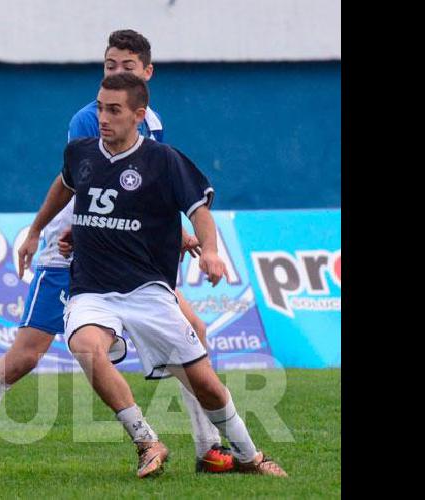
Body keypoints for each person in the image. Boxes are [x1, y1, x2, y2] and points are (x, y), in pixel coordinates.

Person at [22, 72, 287, 477]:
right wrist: (40, 229)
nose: (103, 118)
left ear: (139, 115)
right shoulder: (81, 153)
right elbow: (65, 185)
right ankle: (147, 441)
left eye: (114, 110)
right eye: (100, 107)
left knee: (206, 385)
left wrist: (211, 251)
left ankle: (251, 458)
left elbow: (198, 210)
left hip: (149, 291)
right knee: (87, 347)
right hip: (91, 290)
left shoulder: (164, 160)